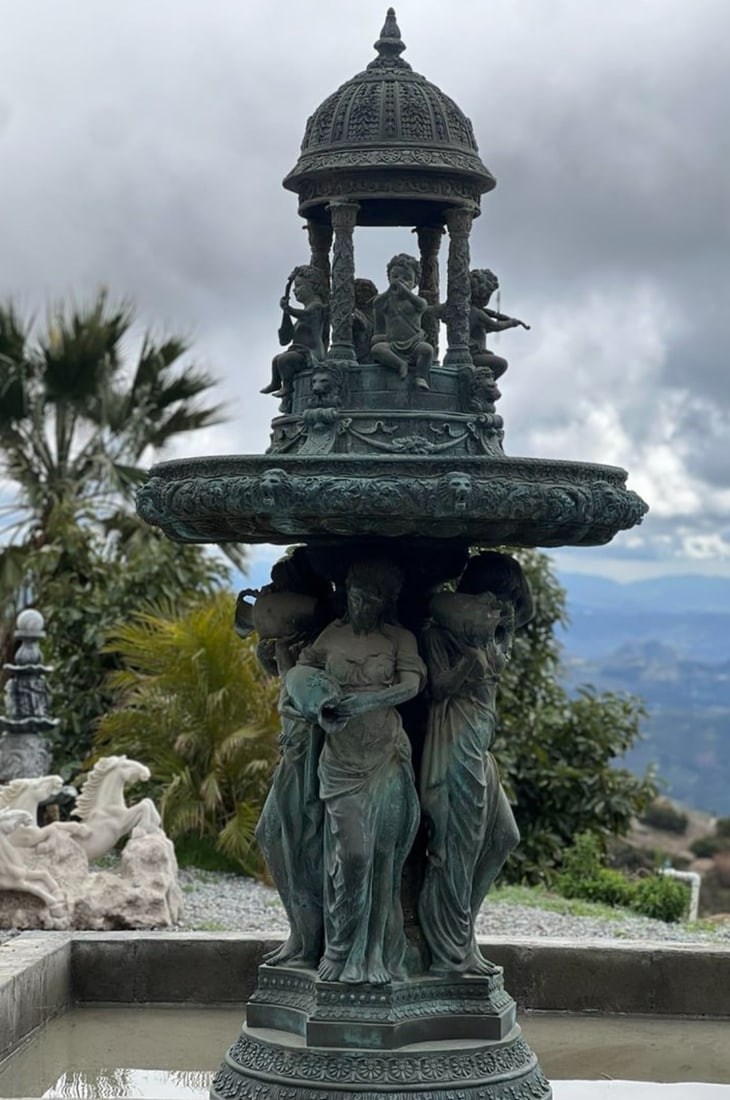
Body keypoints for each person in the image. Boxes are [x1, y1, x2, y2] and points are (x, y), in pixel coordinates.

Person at [286, 558, 425, 984]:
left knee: (384, 859)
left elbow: (413, 684)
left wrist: (366, 701)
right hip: (342, 761)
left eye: (375, 597)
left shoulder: (398, 638)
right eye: (359, 594)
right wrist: (314, 700)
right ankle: (341, 946)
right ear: (349, 593)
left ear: (387, 601)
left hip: (385, 756)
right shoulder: (333, 635)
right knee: (354, 855)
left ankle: (374, 953)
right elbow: (300, 671)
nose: (364, 603)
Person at [418, 552, 533, 976]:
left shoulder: (492, 636)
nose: (503, 609)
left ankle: (463, 932)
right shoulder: (440, 635)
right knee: (454, 851)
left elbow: (521, 618)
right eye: (497, 599)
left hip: (479, 752)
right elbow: (439, 689)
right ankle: (447, 952)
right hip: (453, 747)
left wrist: (491, 629)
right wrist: (468, 651)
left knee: (504, 837)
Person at [252, 549, 334, 969]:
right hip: (294, 747)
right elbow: (274, 669)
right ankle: (301, 935)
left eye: (279, 589)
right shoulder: (298, 640)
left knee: (301, 840)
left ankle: (310, 941)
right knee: (275, 835)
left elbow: (300, 687)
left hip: (309, 749)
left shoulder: (323, 641)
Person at [261, 265, 328, 399]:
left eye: (298, 286)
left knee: (285, 360)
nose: (295, 290)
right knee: (276, 360)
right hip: (298, 351)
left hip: (311, 354)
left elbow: (305, 315)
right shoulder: (301, 316)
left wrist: (289, 309)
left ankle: (288, 386)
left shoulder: (317, 306)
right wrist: (286, 313)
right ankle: (275, 383)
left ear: (313, 286)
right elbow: (285, 339)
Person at [370, 254, 432, 389]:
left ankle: (420, 376)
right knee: (377, 349)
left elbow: (422, 306)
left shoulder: (416, 301)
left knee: (427, 350)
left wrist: (406, 292)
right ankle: (400, 364)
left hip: (414, 345)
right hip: (393, 346)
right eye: (395, 277)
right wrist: (389, 291)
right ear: (389, 278)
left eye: (407, 278)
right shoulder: (386, 300)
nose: (400, 281)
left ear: (415, 283)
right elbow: (376, 304)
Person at [468, 269, 526, 381]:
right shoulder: (477, 313)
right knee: (501, 364)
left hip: (474, 353)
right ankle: (480, 383)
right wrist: (512, 323)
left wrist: (500, 317)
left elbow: (486, 328)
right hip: (472, 355)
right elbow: (495, 326)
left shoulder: (472, 311)